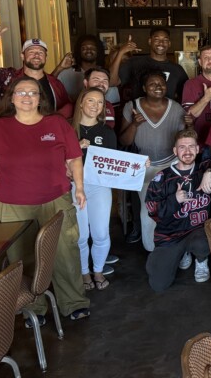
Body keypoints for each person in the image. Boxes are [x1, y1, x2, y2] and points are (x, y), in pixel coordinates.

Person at [0, 76, 90, 322]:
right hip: (12, 204)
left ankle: (73, 302)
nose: (27, 97)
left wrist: (79, 187)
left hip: (55, 199)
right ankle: (33, 308)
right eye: (21, 92)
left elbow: (74, 158)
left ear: (40, 98)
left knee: (65, 252)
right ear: (12, 97)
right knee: (20, 257)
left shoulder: (56, 124)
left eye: (33, 93)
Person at [145, 129, 211, 292]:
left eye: (191, 147)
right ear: (175, 151)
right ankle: (183, 253)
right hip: (170, 236)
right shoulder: (162, 177)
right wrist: (175, 200)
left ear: (197, 149)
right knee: (158, 284)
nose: (187, 151)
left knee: (205, 236)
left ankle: (200, 259)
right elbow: (153, 212)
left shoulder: (204, 168)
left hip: (197, 232)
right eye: (182, 147)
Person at [119, 70, 192, 250]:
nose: (158, 87)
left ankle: (176, 248)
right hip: (145, 166)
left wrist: (190, 124)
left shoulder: (176, 108)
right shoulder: (132, 106)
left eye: (161, 84)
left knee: (174, 205)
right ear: (144, 88)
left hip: (171, 163)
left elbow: (185, 138)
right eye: (152, 84)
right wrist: (135, 124)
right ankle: (152, 249)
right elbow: (124, 141)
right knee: (149, 209)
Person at [72, 87, 119, 291]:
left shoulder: (107, 132)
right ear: (81, 103)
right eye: (91, 101)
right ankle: (84, 272)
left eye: (100, 102)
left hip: (100, 186)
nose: (95, 106)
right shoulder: (68, 130)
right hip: (74, 185)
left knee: (100, 233)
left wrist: (136, 166)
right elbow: (53, 160)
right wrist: (76, 148)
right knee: (81, 235)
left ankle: (98, 270)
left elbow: (117, 163)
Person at [0, 38, 73, 118]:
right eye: (31, 52)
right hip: (13, 129)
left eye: (41, 52)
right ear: (22, 56)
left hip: (48, 130)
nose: (36, 55)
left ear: (46, 57)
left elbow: (68, 107)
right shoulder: (9, 77)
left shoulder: (56, 84)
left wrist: (56, 119)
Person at [110, 28, 189, 101]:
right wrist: (121, 52)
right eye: (157, 39)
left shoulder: (177, 69)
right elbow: (112, 82)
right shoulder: (134, 63)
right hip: (138, 114)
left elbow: (186, 96)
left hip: (166, 114)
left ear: (169, 43)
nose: (161, 43)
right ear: (150, 41)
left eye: (165, 40)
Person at [52, 34, 109, 102]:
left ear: (98, 51)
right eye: (84, 48)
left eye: (92, 48)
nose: (88, 50)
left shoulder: (104, 73)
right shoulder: (66, 73)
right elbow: (48, 86)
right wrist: (59, 68)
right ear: (79, 51)